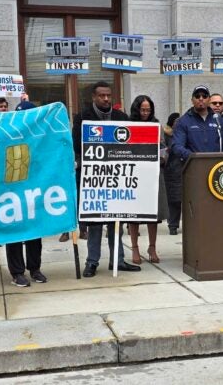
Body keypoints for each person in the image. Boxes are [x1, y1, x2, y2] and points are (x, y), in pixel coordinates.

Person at [72, 81, 141, 277]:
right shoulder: (82, 118)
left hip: (116, 176)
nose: (106, 99)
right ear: (94, 97)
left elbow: (129, 145)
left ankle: (117, 260)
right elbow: (77, 146)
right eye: (102, 96)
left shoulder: (121, 117)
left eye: (109, 96)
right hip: (92, 177)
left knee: (116, 221)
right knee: (95, 222)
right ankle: (92, 262)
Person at [0, 96, 48, 287]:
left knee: (34, 232)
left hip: (32, 191)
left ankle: (35, 268)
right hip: (12, 191)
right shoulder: (5, 136)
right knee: (14, 232)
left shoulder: (40, 138)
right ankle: (17, 272)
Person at [125, 95, 168, 264]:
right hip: (134, 174)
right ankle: (134, 248)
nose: (145, 113)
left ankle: (152, 247)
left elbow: (164, 150)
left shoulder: (157, 125)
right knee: (134, 213)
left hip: (153, 172)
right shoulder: (129, 125)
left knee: (153, 213)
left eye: (148, 110)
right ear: (136, 109)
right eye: (142, 109)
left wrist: (160, 152)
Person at [171, 85, 223, 160]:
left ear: (209, 100)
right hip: (192, 166)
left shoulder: (218, 120)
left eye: (204, 96)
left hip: (216, 166)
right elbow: (177, 146)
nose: (201, 98)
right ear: (192, 100)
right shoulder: (183, 121)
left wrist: (221, 159)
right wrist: (193, 157)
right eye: (197, 96)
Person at [164, 112, 182, 235]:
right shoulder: (166, 136)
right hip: (171, 171)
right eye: (176, 121)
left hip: (184, 170)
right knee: (174, 200)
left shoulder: (183, 134)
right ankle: (173, 225)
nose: (178, 124)